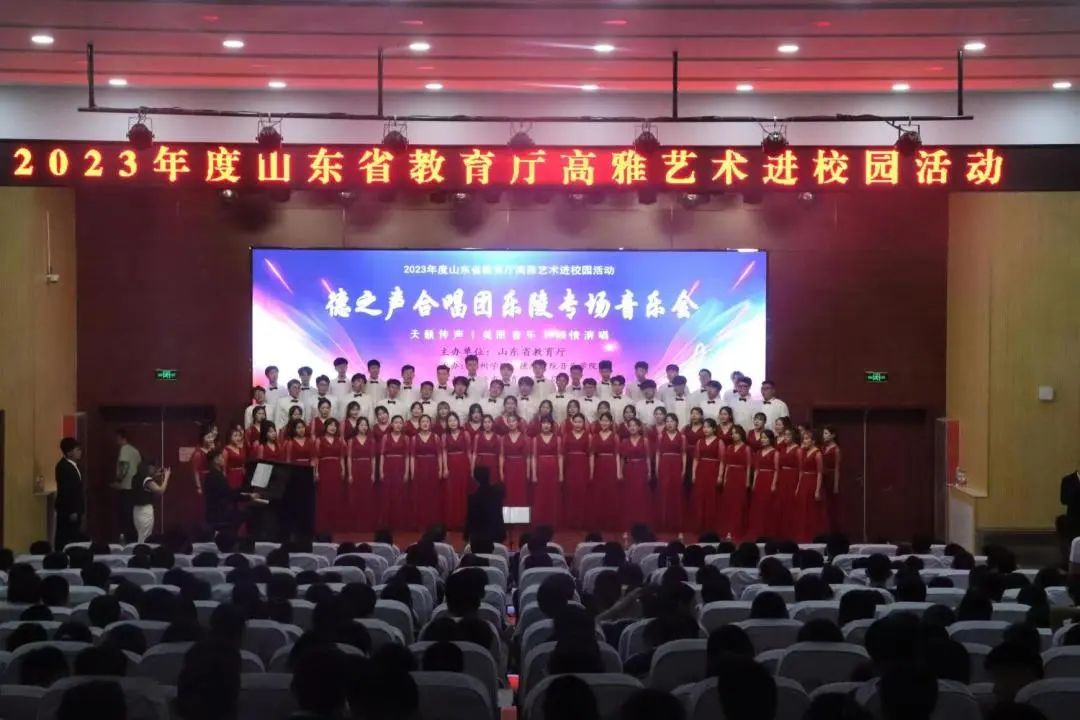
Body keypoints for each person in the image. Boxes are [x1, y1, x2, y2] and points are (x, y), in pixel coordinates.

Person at [719, 425, 752, 539]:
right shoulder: (729, 447)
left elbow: (748, 466)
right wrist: (724, 478)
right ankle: (727, 529)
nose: (734, 435)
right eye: (732, 433)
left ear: (741, 434)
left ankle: (737, 528)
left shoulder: (746, 448)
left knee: (738, 503)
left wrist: (747, 481)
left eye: (736, 433)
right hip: (730, 476)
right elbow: (727, 464)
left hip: (740, 475)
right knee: (728, 503)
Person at [410, 415, 443, 531]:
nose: (425, 423)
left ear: (430, 424)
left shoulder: (436, 437)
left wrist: (441, 469)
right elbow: (412, 457)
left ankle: (432, 522)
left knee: (432, 495)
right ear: (419, 424)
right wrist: (412, 472)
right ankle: (421, 522)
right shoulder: (414, 438)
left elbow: (440, 455)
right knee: (420, 495)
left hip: (432, 468)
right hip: (419, 468)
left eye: (427, 421)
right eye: (423, 421)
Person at [589, 412, 620, 530]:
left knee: (610, 492)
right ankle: (599, 521)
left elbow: (617, 455)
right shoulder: (595, 436)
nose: (604, 423)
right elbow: (592, 455)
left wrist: (618, 472)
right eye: (602, 420)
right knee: (599, 493)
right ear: (599, 422)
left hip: (611, 465)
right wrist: (591, 471)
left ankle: (610, 521)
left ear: (611, 422)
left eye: (607, 421)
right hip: (599, 465)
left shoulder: (615, 436)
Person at [795, 428, 827, 541]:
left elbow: (820, 473)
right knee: (803, 510)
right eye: (803, 439)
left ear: (813, 441)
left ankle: (813, 535)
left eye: (807, 439)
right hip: (804, 481)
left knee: (812, 511)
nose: (804, 441)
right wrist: (798, 486)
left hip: (813, 482)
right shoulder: (803, 452)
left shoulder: (817, 454)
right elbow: (801, 471)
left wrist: (817, 490)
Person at [657, 412, 687, 533]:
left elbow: (684, 454)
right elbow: (658, 454)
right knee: (664, 492)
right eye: (667, 421)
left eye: (672, 421)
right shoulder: (661, 436)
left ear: (676, 423)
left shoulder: (682, 437)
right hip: (664, 465)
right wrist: (657, 468)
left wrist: (684, 469)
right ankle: (664, 522)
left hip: (676, 465)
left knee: (676, 493)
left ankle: (676, 523)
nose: (669, 424)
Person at [745, 429, 778, 539]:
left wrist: (773, 484)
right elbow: (756, 469)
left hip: (769, 479)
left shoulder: (775, 453)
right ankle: (757, 530)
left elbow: (776, 470)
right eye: (762, 438)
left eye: (765, 438)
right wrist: (754, 483)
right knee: (758, 506)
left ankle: (767, 531)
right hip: (759, 480)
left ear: (770, 439)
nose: (763, 440)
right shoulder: (758, 452)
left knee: (767, 505)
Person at [379, 415, 409, 529]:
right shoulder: (385, 437)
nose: (398, 425)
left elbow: (407, 456)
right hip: (388, 466)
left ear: (403, 425)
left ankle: (399, 521)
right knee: (387, 494)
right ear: (391, 424)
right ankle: (387, 522)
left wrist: (406, 472)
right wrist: (381, 471)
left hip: (400, 467)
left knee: (399, 494)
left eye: (400, 423)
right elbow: (382, 455)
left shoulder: (406, 438)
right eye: (396, 422)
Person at [621, 418, 652, 529]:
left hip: (641, 468)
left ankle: (641, 522)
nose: (632, 427)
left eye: (634, 425)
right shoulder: (624, 441)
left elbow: (648, 457)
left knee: (641, 496)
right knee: (629, 496)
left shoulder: (645, 441)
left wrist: (649, 472)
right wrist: (620, 472)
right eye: (630, 425)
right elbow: (622, 458)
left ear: (639, 427)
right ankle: (629, 523)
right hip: (628, 469)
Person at [315, 417, 345, 533]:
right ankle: (323, 524)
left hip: (336, 468)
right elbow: (316, 457)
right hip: (324, 468)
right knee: (324, 495)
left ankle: (336, 524)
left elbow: (342, 457)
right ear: (326, 427)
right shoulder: (319, 440)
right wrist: (316, 471)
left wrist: (343, 470)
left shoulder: (340, 440)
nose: (333, 427)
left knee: (336, 495)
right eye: (330, 425)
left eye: (334, 426)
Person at [204, 448, 244, 533]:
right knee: (246, 514)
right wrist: (248, 497)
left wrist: (242, 491)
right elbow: (229, 495)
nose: (223, 459)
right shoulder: (217, 476)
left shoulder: (212, 474)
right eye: (221, 457)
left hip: (215, 512)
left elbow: (227, 492)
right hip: (219, 515)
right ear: (215, 460)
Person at [692, 419, 722, 534]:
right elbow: (696, 459)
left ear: (714, 429)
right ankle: (700, 525)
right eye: (704, 427)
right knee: (700, 497)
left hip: (713, 470)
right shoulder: (699, 441)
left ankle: (711, 526)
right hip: (701, 470)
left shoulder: (719, 442)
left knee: (711, 497)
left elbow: (722, 461)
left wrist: (720, 475)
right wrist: (694, 473)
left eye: (708, 427)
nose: (705, 429)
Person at [532, 416, 563, 527]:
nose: (546, 425)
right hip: (541, 469)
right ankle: (540, 521)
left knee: (552, 495)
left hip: (553, 469)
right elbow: (534, 457)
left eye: (548, 423)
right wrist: (534, 474)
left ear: (552, 425)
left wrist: (561, 474)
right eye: (544, 423)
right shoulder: (535, 439)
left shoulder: (558, 439)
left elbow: (560, 457)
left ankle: (552, 521)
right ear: (540, 425)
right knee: (541, 495)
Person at [54, 437, 85, 549]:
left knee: (74, 534)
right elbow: (66, 491)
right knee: (66, 536)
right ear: (69, 452)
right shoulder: (63, 467)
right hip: (68, 510)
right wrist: (72, 510)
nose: (80, 452)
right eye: (77, 450)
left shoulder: (74, 466)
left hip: (76, 508)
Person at [562, 413, 591, 530]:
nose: (578, 424)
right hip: (570, 466)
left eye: (580, 422)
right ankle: (570, 521)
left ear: (584, 423)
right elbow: (563, 454)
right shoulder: (566, 435)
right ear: (572, 422)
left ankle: (581, 521)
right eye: (576, 422)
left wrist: (591, 471)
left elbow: (590, 455)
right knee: (570, 492)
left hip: (583, 466)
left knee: (582, 492)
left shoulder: (588, 436)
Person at [112, 429, 141, 542]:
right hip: (135, 488)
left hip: (126, 487)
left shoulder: (124, 449)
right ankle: (134, 541)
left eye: (116, 438)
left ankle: (127, 541)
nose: (115, 440)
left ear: (120, 437)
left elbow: (124, 466)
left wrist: (118, 480)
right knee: (132, 517)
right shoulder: (135, 451)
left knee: (125, 517)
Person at [132, 462, 172, 543]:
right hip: (145, 510)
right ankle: (142, 550)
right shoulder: (147, 480)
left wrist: (156, 475)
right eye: (152, 468)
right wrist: (166, 477)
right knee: (145, 536)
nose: (154, 469)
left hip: (136, 510)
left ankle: (140, 548)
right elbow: (160, 490)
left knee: (141, 533)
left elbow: (146, 483)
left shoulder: (135, 478)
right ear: (147, 468)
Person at [773, 420, 799, 538]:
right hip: (782, 477)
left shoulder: (798, 449)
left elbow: (800, 468)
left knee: (791, 503)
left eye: (788, 435)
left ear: (793, 436)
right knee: (781, 503)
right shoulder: (782, 449)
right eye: (785, 435)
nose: (786, 437)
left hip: (793, 477)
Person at [465, 466, 505, 543]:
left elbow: (470, 518)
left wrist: (466, 534)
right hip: (496, 534)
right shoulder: (497, 493)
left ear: (476, 479)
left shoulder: (473, 498)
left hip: (479, 536)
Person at [500, 413, 529, 508]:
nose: (511, 423)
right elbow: (501, 456)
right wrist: (501, 472)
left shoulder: (525, 438)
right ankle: (508, 516)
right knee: (509, 491)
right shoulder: (503, 438)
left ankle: (521, 516)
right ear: (507, 423)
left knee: (521, 490)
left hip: (521, 467)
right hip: (508, 467)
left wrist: (528, 472)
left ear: (518, 423)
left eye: (513, 421)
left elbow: (528, 457)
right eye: (509, 421)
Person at [472, 414, 501, 486]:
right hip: (481, 465)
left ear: (492, 423)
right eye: (485, 422)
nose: (487, 424)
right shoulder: (477, 436)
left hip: (493, 465)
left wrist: (500, 471)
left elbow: (500, 455)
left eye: (489, 422)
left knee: (493, 485)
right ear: (482, 424)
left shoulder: (498, 437)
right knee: (482, 486)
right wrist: (472, 469)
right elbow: (474, 454)